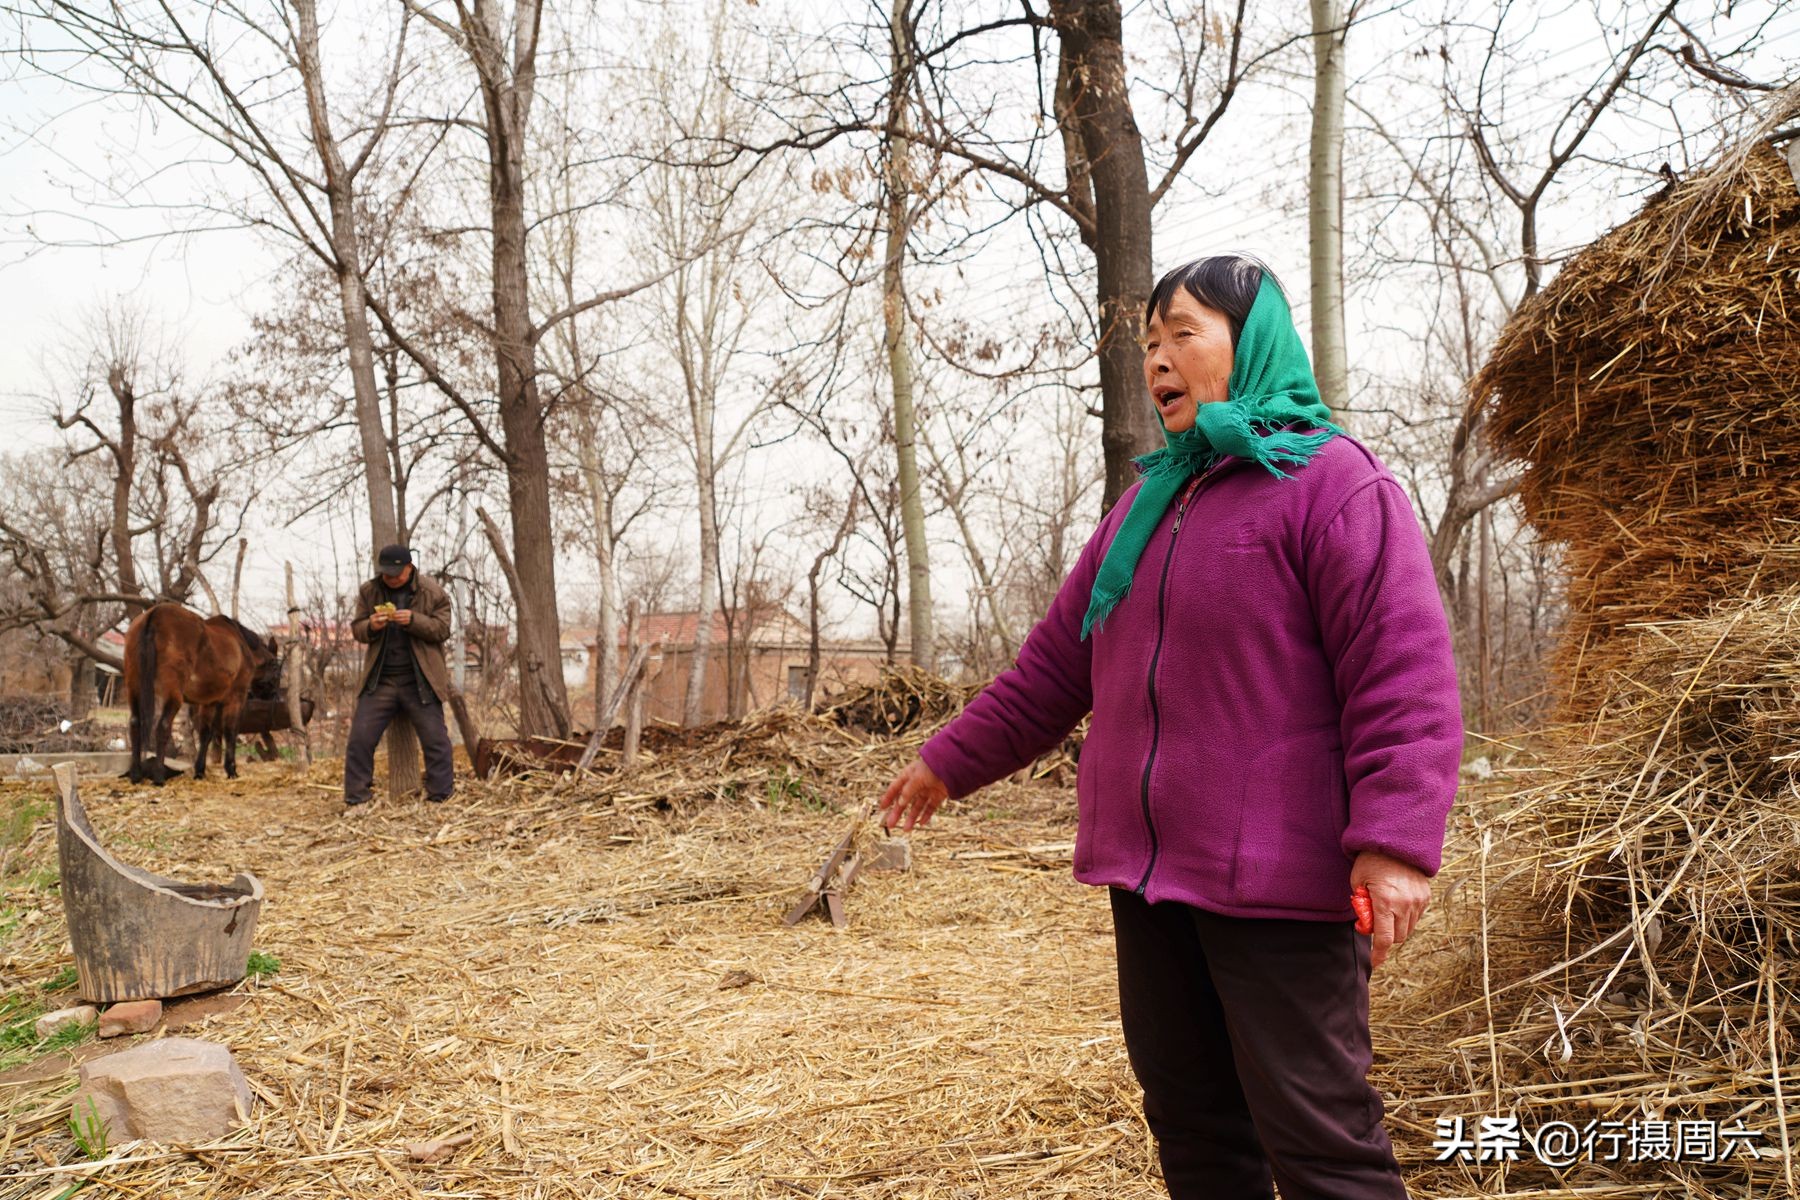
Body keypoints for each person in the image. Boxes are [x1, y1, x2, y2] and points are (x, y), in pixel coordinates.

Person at [878, 255, 1463, 1200]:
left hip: (1282, 887)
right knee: (1195, 1133)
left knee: (1318, 1141)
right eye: (1149, 343)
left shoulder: (1333, 485)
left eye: (1184, 333)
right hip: (1152, 883)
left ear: (1252, 341)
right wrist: (948, 763)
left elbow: (1404, 678)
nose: (1158, 359)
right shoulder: (1146, 507)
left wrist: (1395, 846)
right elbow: (1055, 668)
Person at [344, 544, 457, 807]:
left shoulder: (432, 592)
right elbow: (357, 629)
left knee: (435, 739)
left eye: (396, 573)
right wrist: (371, 625)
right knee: (360, 738)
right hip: (380, 680)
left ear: (410, 567)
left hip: (420, 679)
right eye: (386, 573)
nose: (391, 578)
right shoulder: (369, 591)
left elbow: (443, 629)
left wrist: (414, 621)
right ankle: (356, 797)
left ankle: (440, 796)